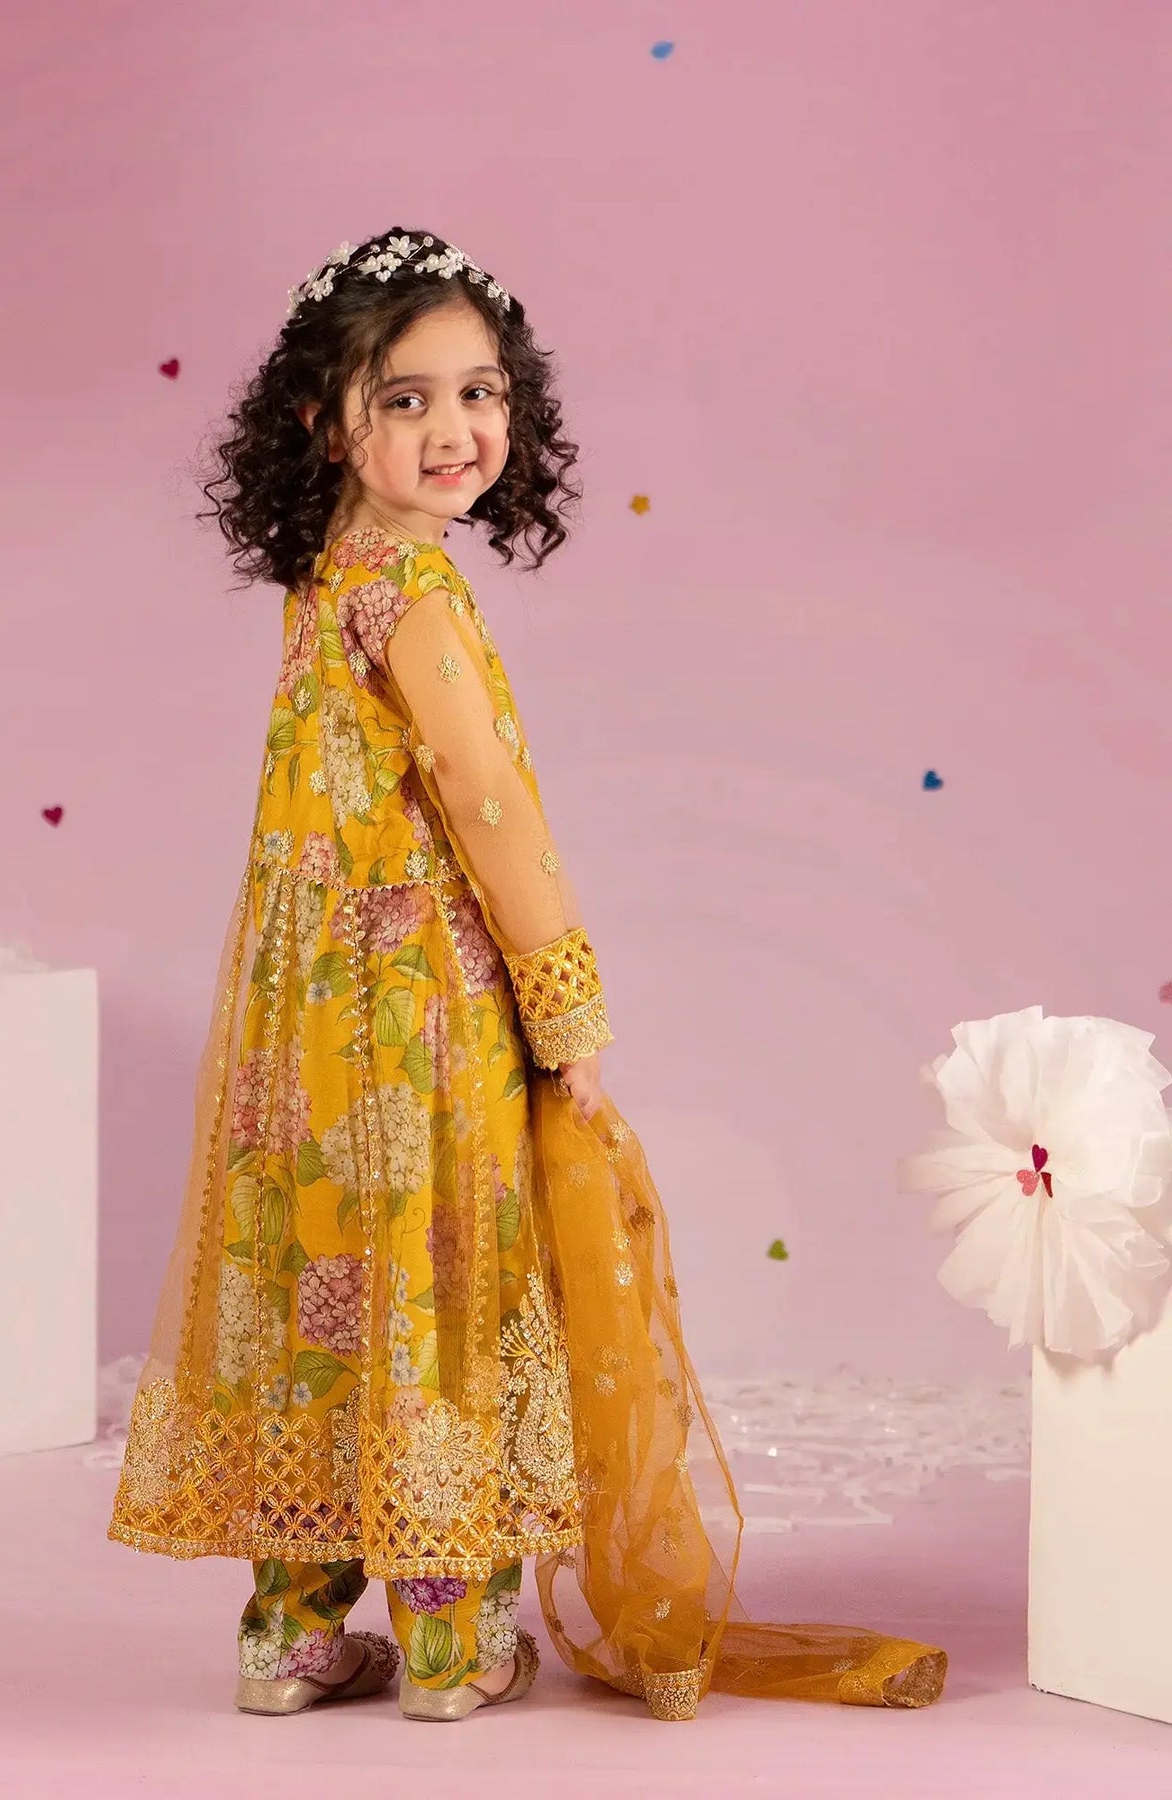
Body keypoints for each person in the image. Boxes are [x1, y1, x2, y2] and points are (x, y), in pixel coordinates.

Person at [107, 228, 948, 1723]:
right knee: (442, 1275)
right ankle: (451, 1646)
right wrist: (564, 998)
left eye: (479, 392)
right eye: (408, 398)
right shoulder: (415, 592)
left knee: (331, 1284)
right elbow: (486, 798)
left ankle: (290, 1636)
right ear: (325, 420)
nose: (455, 431)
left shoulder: (327, 576)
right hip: (423, 1004)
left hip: (309, 1018)